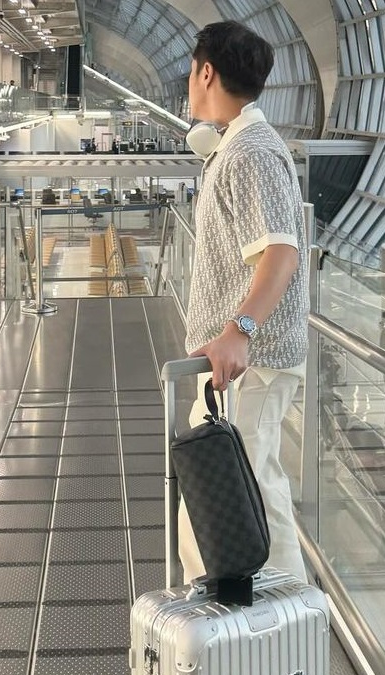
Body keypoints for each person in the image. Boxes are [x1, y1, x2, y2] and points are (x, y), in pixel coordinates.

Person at [180, 20, 309, 583]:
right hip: (236, 365)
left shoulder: (251, 152)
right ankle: (239, 613)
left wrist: (240, 331)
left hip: (249, 362)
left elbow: (281, 254)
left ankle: (287, 618)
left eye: (191, 70)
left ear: (207, 72)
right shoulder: (235, 145)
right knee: (231, 490)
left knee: (249, 492)